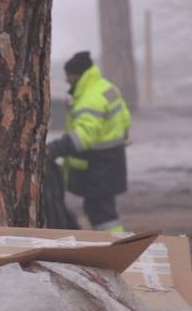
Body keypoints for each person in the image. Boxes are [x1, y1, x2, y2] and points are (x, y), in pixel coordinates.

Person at [45, 51, 132, 233]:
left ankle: (115, 247)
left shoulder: (89, 99)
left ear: (77, 75)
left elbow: (83, 137)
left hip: (98, 167)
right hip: (111, 162)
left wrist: (54, 149)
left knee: (102, 214)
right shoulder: (106, 88)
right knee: (100, 209)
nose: (67, 80)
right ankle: (113, 245)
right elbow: (125, 119)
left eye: (68, 76)